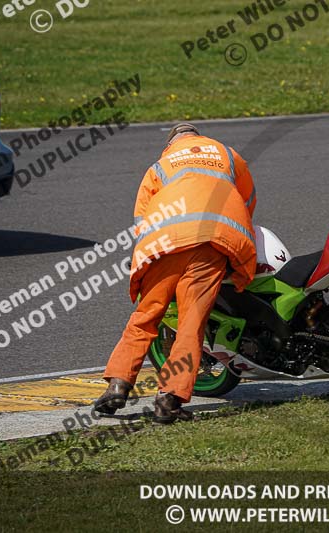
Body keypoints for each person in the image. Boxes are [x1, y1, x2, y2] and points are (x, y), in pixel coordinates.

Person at [93, 123, 257, 423]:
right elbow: (246, 202)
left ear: (171, 144)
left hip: (164, 244)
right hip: (210, 243)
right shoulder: (228, 156)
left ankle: (118, 384)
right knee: (190, 325)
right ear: (199, 137)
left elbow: (141, 217)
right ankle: (169, 400)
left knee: (145, 317)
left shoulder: (161, 164)